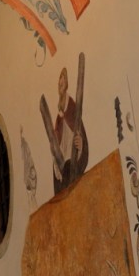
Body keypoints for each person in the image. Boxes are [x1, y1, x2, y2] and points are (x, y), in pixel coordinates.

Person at [52, 66, 88, 195]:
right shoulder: (58, 118)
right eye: (59, 83)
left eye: (62, 81)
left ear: (66, 84)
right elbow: (57, 143)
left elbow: (80, 132)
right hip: (63, 166)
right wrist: (56, 162)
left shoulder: (72, 106)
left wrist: (81, 145)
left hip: (73, 161)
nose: (60, 84)